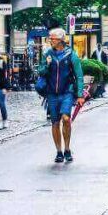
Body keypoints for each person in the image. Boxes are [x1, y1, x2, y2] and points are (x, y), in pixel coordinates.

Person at [38, 28, 85, 163]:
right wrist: (46, 65)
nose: (50, 40)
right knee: (55, 122)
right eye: (50, 38)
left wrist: (80, 94)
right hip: (52, 93)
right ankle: (59, 151)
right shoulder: (48, 54)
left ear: (60, 40)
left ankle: (67, 148)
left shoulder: (71, 54)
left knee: (65, 118)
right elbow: (40, 71)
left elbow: (79, 75)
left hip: (67, 92)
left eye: (52, 38)